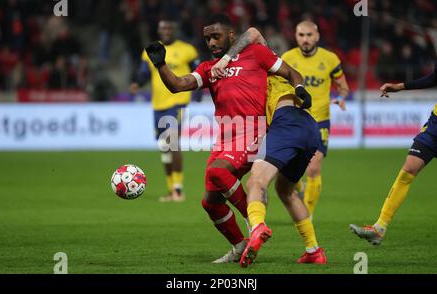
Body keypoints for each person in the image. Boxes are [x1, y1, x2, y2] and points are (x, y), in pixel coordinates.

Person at [144, 13, 313, 264]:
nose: (211, 43)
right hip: (224, 138)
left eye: (216, 36)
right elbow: (178, 84)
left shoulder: (256, 54)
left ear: (232, 36)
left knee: (217, 172)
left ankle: (255, 224)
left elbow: (291, 73)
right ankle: (239, 246)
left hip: (253, 132)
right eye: (207, 38)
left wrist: (300, 90)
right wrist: (161, 65)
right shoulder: (209, 69)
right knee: (210, 202)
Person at [211, 26, 327, 267]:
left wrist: (224, 59)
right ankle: (314, 250)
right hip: (309, 128)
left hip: (285, 124)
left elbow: (252, 32)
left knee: (256, 181)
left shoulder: (259, 62)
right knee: (286, 191)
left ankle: (257, 228)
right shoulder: (271, 68)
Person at [350, 61, 437, 245]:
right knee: (409, 168)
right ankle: (379, 228)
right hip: (435, 124)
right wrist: (401, 86)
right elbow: (434, 77)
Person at [283, 21, 349, 218]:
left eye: (309, 35)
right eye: (301, 35)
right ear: (295, 36)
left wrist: (342, 97)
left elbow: (342, 85)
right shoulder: (287, 58)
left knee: (313, 167)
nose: (305, 39)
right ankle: (298, 186)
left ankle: (307, 215)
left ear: (317, 36)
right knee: (289, 168)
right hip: (294, 119)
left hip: (320, 120)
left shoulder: (330, 59)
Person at [130, 18, 199, 202]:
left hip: (178, 102)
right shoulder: (152, 50)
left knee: (173, 141)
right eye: (163, 28)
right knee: (164, 148)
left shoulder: (187, 50)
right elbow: (145, 72)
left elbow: (198, 72)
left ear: (174, 29)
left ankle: (178, 188)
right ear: (159, 31)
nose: (166, 31)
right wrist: (137, 83)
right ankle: (171, 189)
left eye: (169, 27)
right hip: (158, 104)